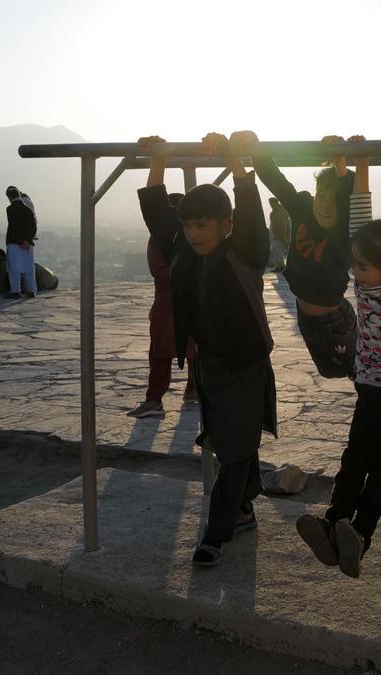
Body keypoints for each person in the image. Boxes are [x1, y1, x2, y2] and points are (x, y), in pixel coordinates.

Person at [295, 133, 381, 579]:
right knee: (355, 457)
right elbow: (361, 212)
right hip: (370, 385)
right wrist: (361, 162)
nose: (354, 274)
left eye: (363, 267)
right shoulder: (364, 281)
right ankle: (333, 523)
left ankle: (361, 533)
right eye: (354, 265)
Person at [137, 132, 275, 568]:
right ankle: (246, 505)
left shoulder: (246, 252)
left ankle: (216, 534)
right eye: (188, 226)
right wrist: (157, 157)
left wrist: (236, 159)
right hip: (211, 365)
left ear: (225, 226)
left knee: (232, 451)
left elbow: (250, 206)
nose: (193, 234)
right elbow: (156, 205)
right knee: (233, 441)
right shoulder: (182, 253)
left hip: (248, 366)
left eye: (202, 226)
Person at [251, 133, 356, 378]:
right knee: (335, 371)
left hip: (334, 320)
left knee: (354, 372)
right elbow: (273, 178)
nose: (325, 206)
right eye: (321, 197)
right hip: (307, 317)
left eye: (334, 201)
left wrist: (339, 157)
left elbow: (347, 194)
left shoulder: (343, 230)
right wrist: (254, 144)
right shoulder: (302, 209)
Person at [127, 191, 199, 419]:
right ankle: (164, 397)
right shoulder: (168, 237)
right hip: (172, 301)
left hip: (174, 303)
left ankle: (161, 398)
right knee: (172, 351)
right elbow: (162, 272)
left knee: (172, 352)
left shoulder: (170, 236)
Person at [4, 186, 38, 298]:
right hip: (27, 244)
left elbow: (14, 227)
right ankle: (31, 290)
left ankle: (16, 291)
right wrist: (27, 240)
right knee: (28, 268)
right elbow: (33, 226)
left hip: (14, 242)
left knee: (14, 268)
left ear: (9, 197)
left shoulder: (10, 209)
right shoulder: (28, 210)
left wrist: (20, 241)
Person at [267, 197, 290, 273]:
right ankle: (278, 266)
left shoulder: (280, 211)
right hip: (276, 234)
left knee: (278, 250)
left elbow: (284, 224)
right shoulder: (275, 211)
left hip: (280, 234)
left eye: (271, 203)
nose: (271, 205)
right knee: (275, 249)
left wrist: (285, 236)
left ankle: (281, 266)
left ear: (275, 203)